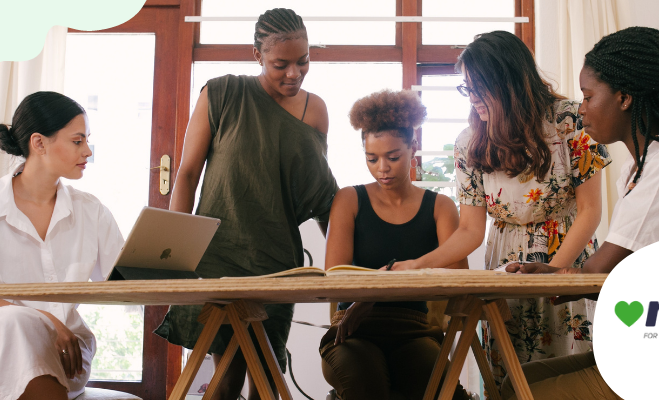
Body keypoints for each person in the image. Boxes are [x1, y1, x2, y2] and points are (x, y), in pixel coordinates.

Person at [503, 26, 659, 400]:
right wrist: (554, 274)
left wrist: (554, 278)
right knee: (512, 383)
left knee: (520, 392)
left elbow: (604, 270)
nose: (581, 111)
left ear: (624, 97)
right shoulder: (647, 164)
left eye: (588, 97)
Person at [390, 30, 611, 389]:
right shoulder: (470, 143)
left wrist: (551, 273)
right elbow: (470, 231)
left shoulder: (570, 120)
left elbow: (590, 211)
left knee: (568, 376)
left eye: (480, 88)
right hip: (506, 266)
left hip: (566, 258)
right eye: (467, 88)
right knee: (509, 380)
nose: (473, 98)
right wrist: (417, 264)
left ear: (510, 82)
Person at [153, 8, 338, 400]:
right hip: (218, 257)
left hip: (276, 262)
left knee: (268, 378)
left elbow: (321, 194)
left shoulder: (315, 111)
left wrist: (347, 268)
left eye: (303, 61)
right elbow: (186, 175)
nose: (294, 73)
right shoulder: (221, 93)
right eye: (280, 64)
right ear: (257, 55)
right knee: (228, 374)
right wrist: (173, 256)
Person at [320, 90, 469, 400]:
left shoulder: (440, 207)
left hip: (415, 331)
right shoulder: (350, 199)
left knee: (442, 391)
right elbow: (334, 279)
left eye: (393, 157)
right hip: (353, 332)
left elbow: (457, 277)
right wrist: (388, 283)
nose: (382, 168)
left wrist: (375, 291)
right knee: (367, 385)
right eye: (371, 158)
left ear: (413, 148)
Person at [0, 92, 124, 400]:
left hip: (67, 353)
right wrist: (47, 322)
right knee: (15, 322)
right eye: (77, 141)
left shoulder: (91, 211)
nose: (88, 151)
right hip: (4, 342)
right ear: (39, 143)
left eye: (86, 141)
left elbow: (124, 283)